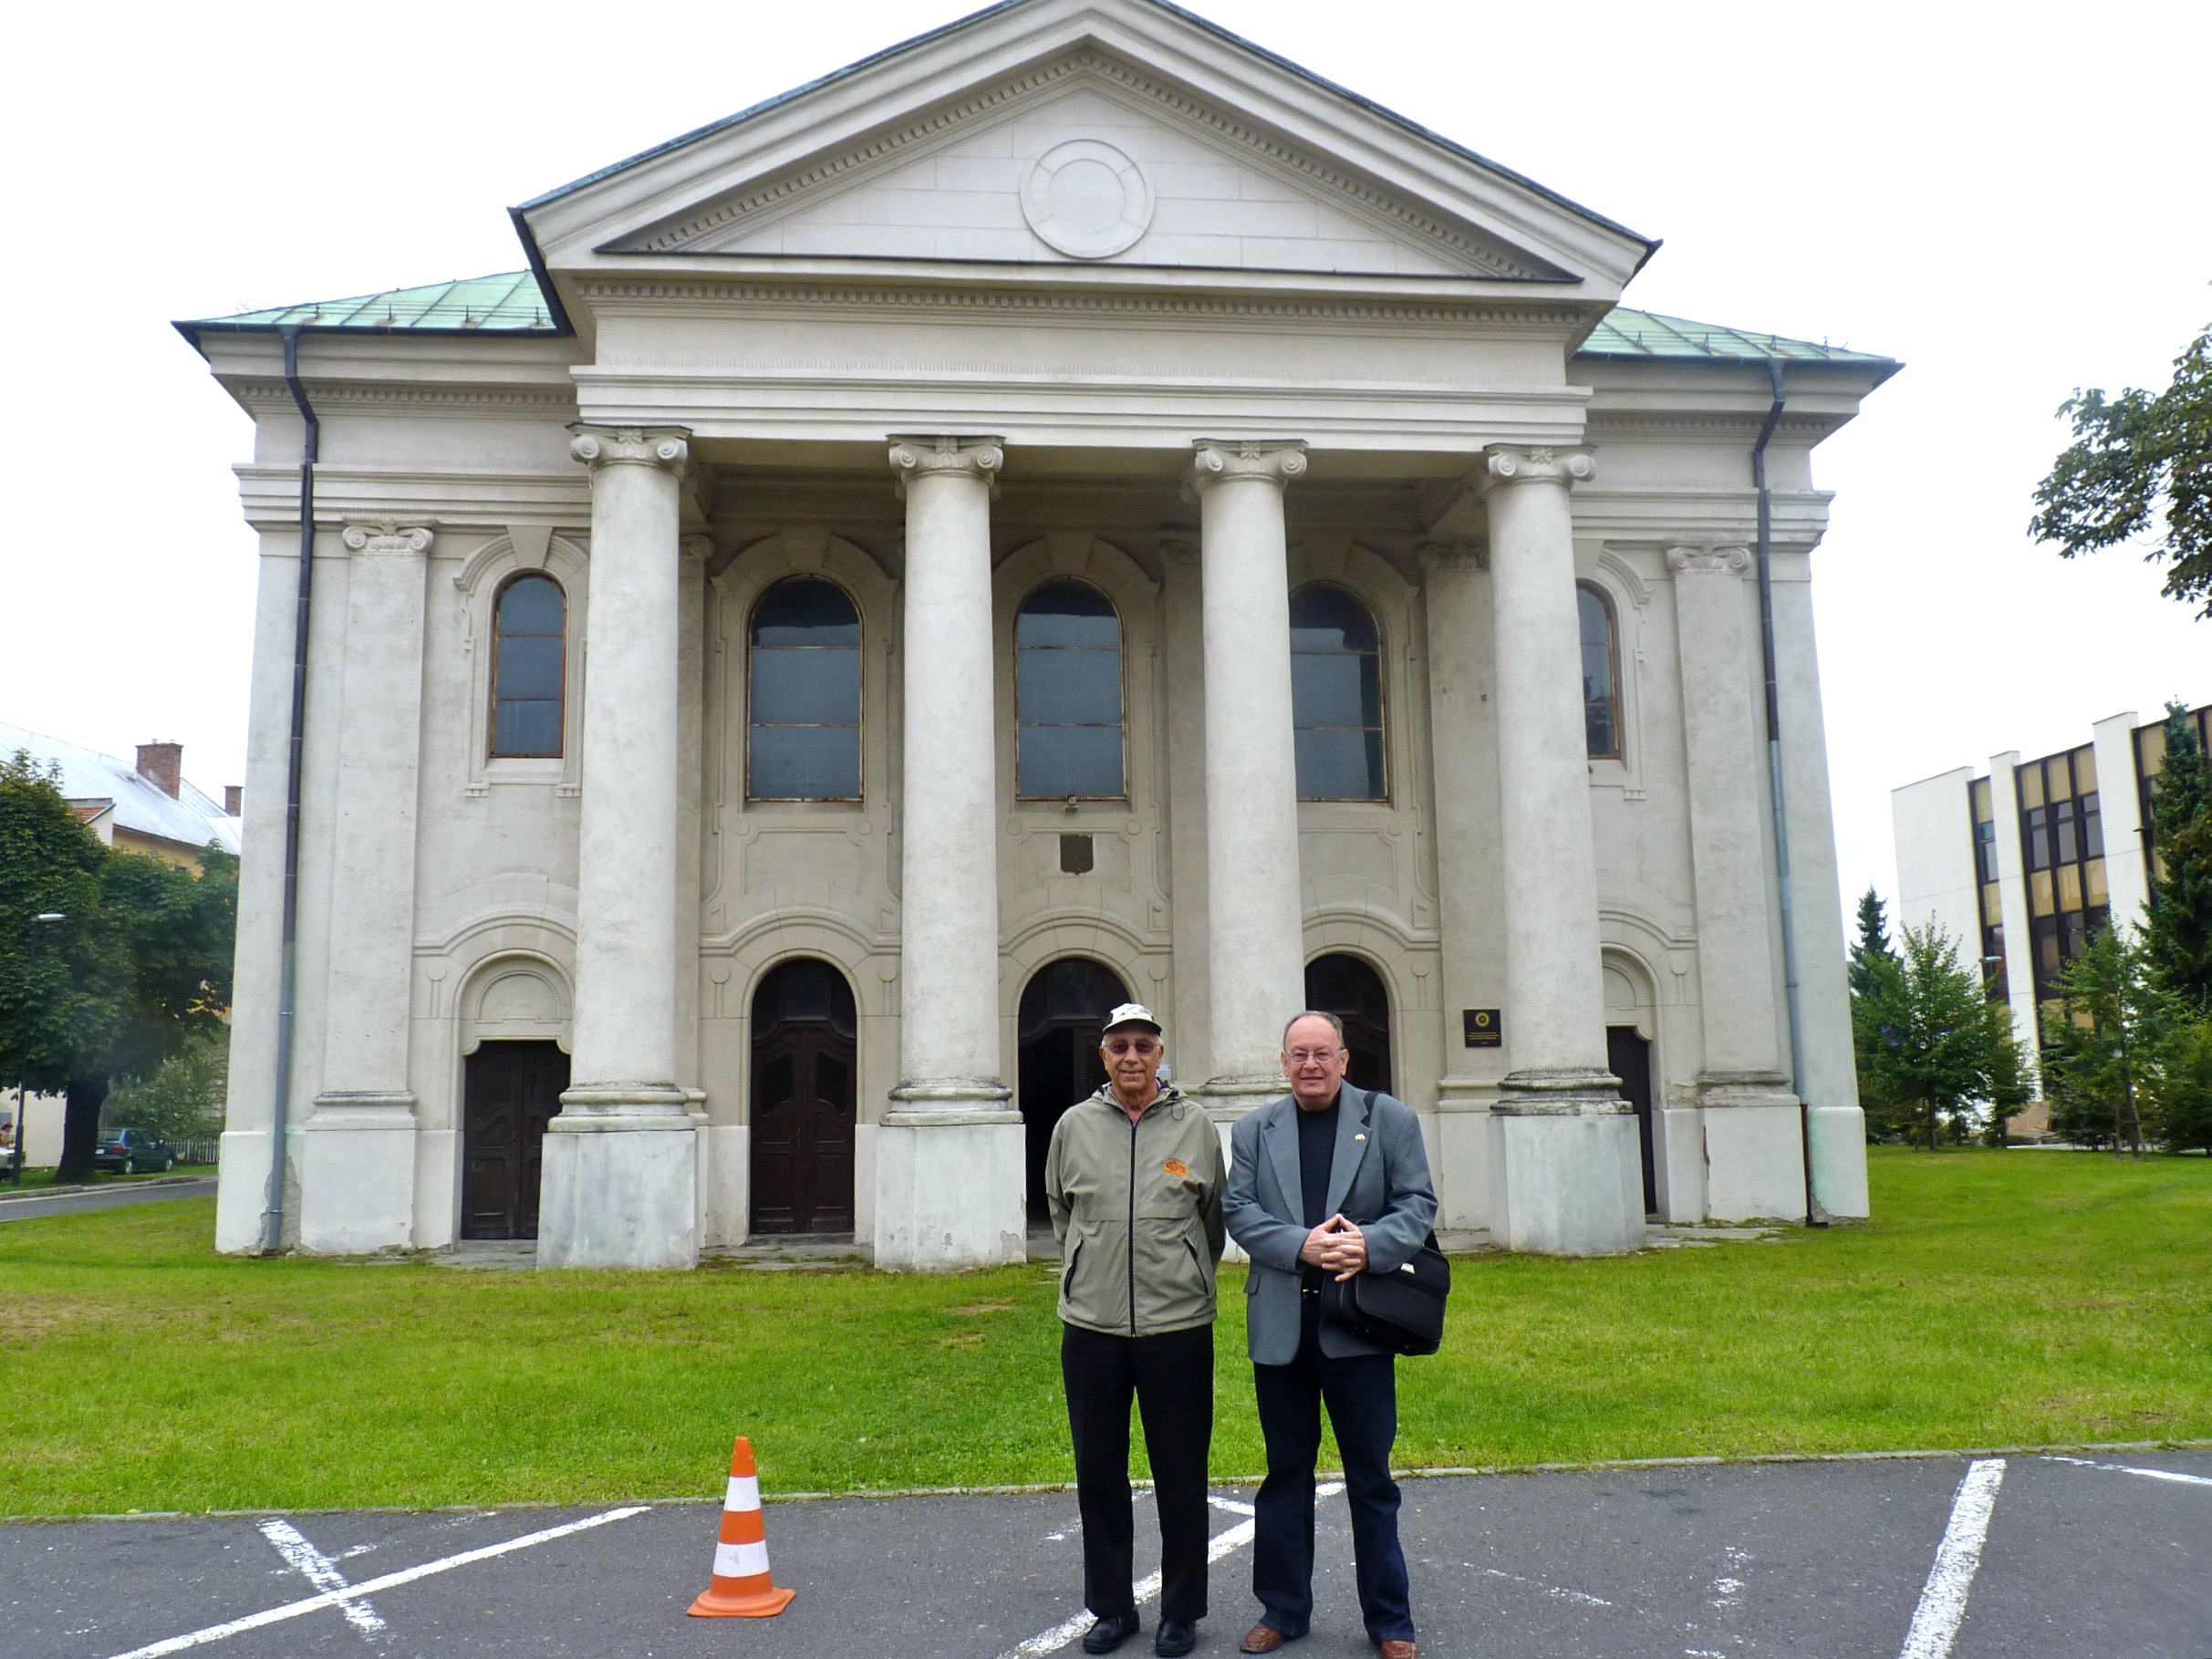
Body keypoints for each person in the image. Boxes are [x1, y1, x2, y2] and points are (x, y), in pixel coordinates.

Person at [1222, 1011, 1437, 1659]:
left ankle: (1390, 1622)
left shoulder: (1390, 1120)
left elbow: (1417, 1204)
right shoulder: (1254, 1129)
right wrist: (1302, 1245)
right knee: (1285, 1473)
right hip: (1281, 1329)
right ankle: (1282, 1610)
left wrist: (1369, 1245)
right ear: (1283, 1062)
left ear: (1344, 1058)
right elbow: (1238, 1209)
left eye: (1322, 1053)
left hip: (1359, 1326)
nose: (1310, 1065)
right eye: (1298, 1054)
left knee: (1371, 1479)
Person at [1044, 1001, 1227, 1658]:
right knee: (1098, 1470)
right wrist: (1086, 1265)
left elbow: (1212, 1217)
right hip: (1092, 1325)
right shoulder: (1073, 1126)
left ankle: (1180, 1612)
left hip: (1176, 1324)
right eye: (1119, 1045)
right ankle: (1112, 1608)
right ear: (1103, 1055)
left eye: (1142, 1046)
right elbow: (1060, 1209)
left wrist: (1184, 1269)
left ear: (1159, 1054)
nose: (1131, 1057)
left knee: (1181, 1471)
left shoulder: (1193, 1125)